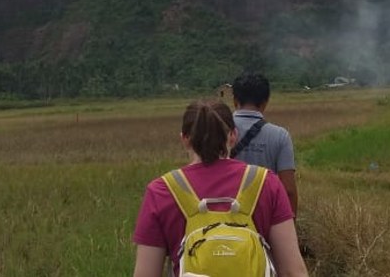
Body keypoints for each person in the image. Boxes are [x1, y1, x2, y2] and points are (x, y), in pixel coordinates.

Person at [132, 99, 308, 277]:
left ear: (185, 139)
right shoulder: (266, 183)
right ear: (233, 135)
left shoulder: (161, 191)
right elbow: (292, 271)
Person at [231, 72, 298, 215]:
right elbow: (289, 190)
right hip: (265, 217)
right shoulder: (280, 136)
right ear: (265, 102)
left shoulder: (216, 130)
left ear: (235, 100)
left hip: (223, 214)